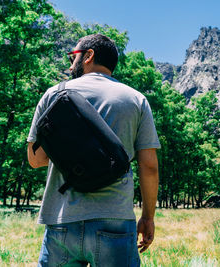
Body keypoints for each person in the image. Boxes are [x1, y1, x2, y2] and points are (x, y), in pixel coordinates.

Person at [27, 34, 160, 267]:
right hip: (115, 219)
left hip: (61, 219)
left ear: (88, 56)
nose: (70, 64)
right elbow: (149, 166)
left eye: (73, 56)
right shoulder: (136, 100)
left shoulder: (54, 94)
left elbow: (35, 160)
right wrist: (148, 217)